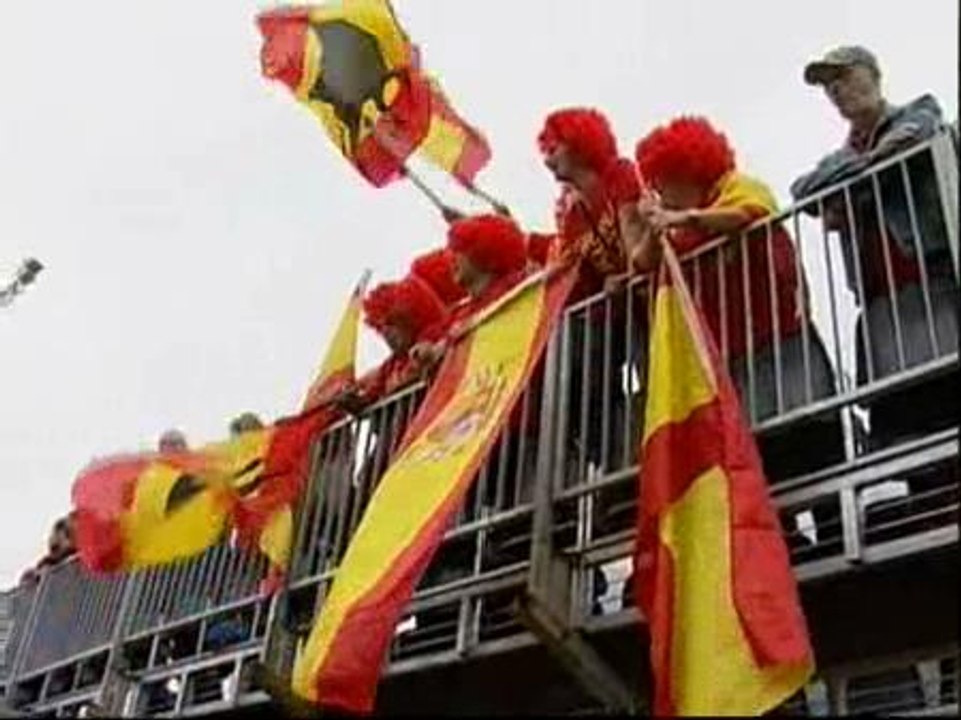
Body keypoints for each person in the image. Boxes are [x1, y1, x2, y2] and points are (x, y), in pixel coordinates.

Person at [632, 115, 846, 482]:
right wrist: (656, 227)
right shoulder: (675, 224)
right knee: (761, 466)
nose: (660, 192)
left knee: (814, 444)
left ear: (689, 171)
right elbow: (642, 262)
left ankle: (833, 531)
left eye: (664, 181)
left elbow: (746, 215)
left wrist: (683, 216)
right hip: (732, 358)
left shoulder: (739, 186)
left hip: (783, 342)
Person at [790, 45, 958, 450]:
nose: (837, 91)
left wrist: (850, 192)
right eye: (830, 87)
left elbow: (914, 135)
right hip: (880, 305)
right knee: (900, 423)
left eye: (844, 77)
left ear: (873, 74)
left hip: (933, 284)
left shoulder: (918, 111)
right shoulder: (841, 156)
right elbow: (803, 190)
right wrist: (865, 174)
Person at [536, 107, 652, 489]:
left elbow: (635, 239)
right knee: (590, 389)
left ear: (581, 144)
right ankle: (614, 469)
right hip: (619, 314)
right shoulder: (573, 216)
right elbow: (567, 276)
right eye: (546, 150)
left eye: (555, 148)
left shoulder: (619, 173)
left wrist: (628, 275)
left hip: (652, 299)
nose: (548, 158)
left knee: (655, 377)